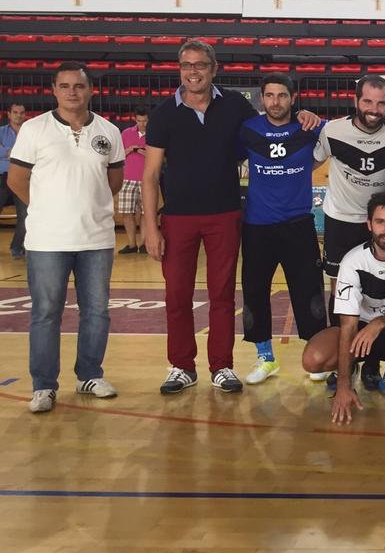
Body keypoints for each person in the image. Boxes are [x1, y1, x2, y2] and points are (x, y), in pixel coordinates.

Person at [143, 39, 319, 395]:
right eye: (187, 65)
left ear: (213, 69)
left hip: (225, 214)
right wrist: (150, 226)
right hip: (177, 217)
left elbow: (273, 128)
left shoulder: (236, 106)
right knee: (177, 295)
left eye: (201, 65)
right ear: (180, 70)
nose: (193, 71)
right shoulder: (163, 113)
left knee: (222, 294)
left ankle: (221, 365)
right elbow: (149, 174)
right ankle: (181, 365)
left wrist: (304, 115)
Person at [7, 63, 124, 413]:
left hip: (97, 239)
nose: (72, 92)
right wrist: (47, 208)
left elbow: (114, 181)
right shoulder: (33, 129)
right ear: (54, 90)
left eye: (79, 86)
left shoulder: (109, 131)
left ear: (90, 90)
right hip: (47, 240)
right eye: (65, 86)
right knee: (45, 313)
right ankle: (43, 385)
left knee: (97, 311)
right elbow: (16, 181)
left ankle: (89, 374)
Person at [315, 74, 385, 388]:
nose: (374, 109)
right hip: (341, 220)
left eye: (382, 103)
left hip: (380, 223)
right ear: (356, 101)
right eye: (368, 101)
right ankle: (344, 361)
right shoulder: (332, 131)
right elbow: (306, 160)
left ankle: (371, 361)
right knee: (340, 293)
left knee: (379, 291)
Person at [303, 191, 385, 422]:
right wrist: (343, 386)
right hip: (359, 334)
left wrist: (380, 323)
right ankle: (348, 372)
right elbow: (347, 326)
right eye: (380, 222)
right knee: (313, 359)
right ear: (369, 225)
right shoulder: (352, 262)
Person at [238, 73, 327, 385]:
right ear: (262, 98)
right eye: (270, 96)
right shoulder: (248, 130)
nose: (276, 102)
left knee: (309, 292)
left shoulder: (311, 127)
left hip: (298, 225)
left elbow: (352, 129)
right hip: (257, 226)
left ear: (293, 98)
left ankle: (318, 356)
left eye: (282, 96)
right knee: (254, 291)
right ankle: (265, 358)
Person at [118, 105, 148, 254]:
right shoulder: (126, 133)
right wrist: (129, 150)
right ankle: (131, 244)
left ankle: (143, 244)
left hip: (147, 179)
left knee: (145, 212)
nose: (142, 124)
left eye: (145, 121)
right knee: (126, 212)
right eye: (139, 121)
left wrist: (145, 153)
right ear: (135, 120)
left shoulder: (155, 134)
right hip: (128, 178)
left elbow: (161, 158)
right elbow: (117, 155)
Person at [0, 102, 28, 258]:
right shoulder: (1, 132)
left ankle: (17, 248)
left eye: (22, 112)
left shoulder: (30, 133)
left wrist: (6, 152)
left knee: (25, 215)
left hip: (22, 178)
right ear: (9, 114)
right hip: (2, 178)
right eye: (15, 112)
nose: (19, 115)